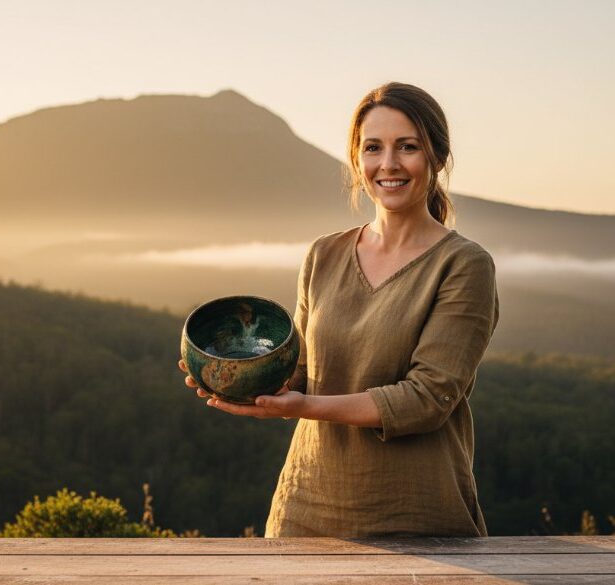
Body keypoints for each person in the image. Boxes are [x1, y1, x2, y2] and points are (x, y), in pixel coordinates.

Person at [179, 82, 499, 537]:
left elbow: (428, 399)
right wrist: (236, 379)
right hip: (305, 509)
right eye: (373, 147)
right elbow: (300, 371)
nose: (388, 164)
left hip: (416, 517)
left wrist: (304, 405)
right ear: (355, 159)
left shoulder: (464, 265)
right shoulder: (323, 255)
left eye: (407, 147)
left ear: (437, 157)